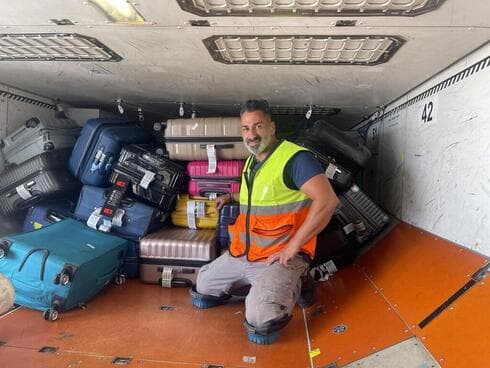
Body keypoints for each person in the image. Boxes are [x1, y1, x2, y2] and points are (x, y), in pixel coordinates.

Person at [190, 99, 339, 344]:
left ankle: (298, 279)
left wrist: (292, 248)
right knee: (203, 288)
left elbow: (327, 201)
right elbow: (260, 197)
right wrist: (230, 196)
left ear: (272, 127)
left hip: (280, 256)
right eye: (246, 128)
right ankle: (263, 287)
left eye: (258, 126)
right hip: (244, 254)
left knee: (261, 320)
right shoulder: (252, 162)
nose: (252, 135)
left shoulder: (295, 159)